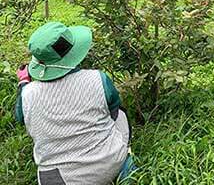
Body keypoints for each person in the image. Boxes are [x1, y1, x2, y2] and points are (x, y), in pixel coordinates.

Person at [14, 21, 135, 185]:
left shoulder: (27, 94)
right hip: (109, 165)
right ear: (74, 52)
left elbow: (21, 117)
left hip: (58, 180)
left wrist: (23, 83)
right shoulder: (97, 79)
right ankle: (128, 171)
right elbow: (113, 110)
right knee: (120, 114)